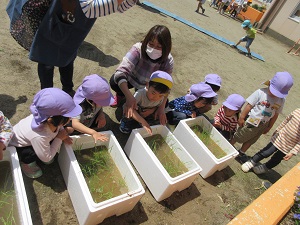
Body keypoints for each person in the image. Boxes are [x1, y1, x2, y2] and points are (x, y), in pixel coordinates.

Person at [6, 0, 137, 96]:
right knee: (46, 58)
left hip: (75, 22)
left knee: (68, 55)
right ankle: (47, 95)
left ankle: (68, 89)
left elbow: (122, 7)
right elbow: (89, 8)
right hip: (59, 14)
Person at [9, 88, 82, 178]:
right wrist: (59, 138)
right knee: (31, 153)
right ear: (54, 120)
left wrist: (63, 132)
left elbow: (60, 126)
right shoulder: (39, 135)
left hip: (36, 140)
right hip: (20, 146)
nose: (71, 118)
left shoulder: (46, 118)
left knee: (49, 143)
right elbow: (47, 157)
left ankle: (42, 152)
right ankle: (26, 163)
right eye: (69, 117)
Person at [109, 25, 173, 124]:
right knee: (114, 82)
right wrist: (129, 97)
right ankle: (121, 95)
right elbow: (120, 72)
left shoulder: (168, 60)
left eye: (159, 47)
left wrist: (161, 108)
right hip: (132, 78)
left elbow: (166, 85)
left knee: (161, 100)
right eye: (151, 44)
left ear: (166, 47)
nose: (153, 49)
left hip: (150, 86)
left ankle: (148, 108)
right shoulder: (137, 49)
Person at [230, 72, 294, 158]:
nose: (275, 95)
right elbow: (249, 105)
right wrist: (242, 117)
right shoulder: (260, 92)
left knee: (252, 139)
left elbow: (275, 114)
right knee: (240, 134)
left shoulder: (281, 101)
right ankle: (230, 145)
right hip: (252, 120)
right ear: (270, 84)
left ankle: (241, 152)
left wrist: (269, 127)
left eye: (278, 93)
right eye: (274, 91)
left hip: (264, 124)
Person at [241, 108, 300, 174]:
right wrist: (278, 129)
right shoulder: (297, 111)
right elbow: (286, 121)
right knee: (266, 152)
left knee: (276, 159)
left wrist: (293, 152)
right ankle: (252, 161)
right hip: (279, 138)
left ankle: (265, 167)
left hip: (288, 146)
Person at [119, 71, 173, 135]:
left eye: (160, 95)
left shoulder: (163, 98)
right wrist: (143, 122)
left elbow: (159, 107)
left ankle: (141, 123)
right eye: (153, 93)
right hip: (135, 111)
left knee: (156, 120)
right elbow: (130, 109)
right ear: (147, 85)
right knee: (128, 113)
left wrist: (153, 110)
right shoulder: (140, 94)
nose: (156, 98)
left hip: (147, 113)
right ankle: (126, 122)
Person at [71, 74, 114, 142]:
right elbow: (75, 124)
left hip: (91, 119)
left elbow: (100, 106)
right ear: (91, 99)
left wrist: (101, 114)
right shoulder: (78, 105)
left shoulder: (95, 98)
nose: (103, 103)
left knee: (105, 122)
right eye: (102, 101)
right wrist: (93, 132)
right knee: (69, 129)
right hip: (79, 126)